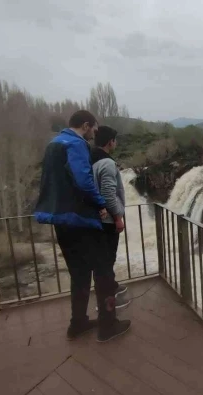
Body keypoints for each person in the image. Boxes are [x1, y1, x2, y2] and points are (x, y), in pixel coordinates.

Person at [34, 110, 131, 342]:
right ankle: (108, 326)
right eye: (94, 129)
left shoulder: (53, 144)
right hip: (80, 220)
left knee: (79, 274)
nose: (94, 134)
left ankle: (77, 323)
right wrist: (101, 205)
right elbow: (84, 181)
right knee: (104, 272)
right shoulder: (75, 144)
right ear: (86, 125)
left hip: (60, 219)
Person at [91, 126, 130, 312]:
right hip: (107, 222)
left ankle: (109, 292)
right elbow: (108, 193)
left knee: (103, 263)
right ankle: (108, 308)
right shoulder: (106, 163)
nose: (116, 142)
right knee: (105, 264)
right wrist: (117, 217)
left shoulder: (93, 159)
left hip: (98, 220)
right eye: (115, 139)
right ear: (110, 142)